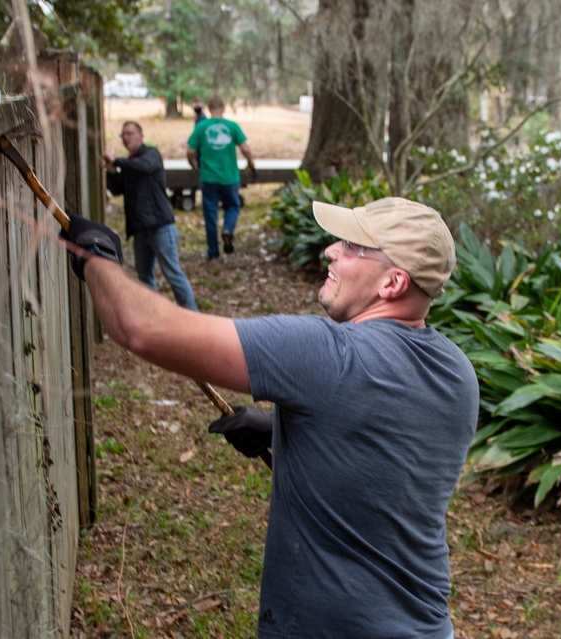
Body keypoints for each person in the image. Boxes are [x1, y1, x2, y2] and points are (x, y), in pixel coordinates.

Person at [59, 196, 479, 639]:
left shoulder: (327, 354)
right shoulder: (457, 373)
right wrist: (281, 433)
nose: (331, 250)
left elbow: (138, 327)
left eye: (354, 247)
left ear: (392, 283)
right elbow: (384, 485)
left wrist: (97, 256)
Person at [103, 121, 198, 311]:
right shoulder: (130, 164)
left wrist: (118, 162)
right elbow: (117, 189)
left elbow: (144, 166)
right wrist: (112, 171)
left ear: (141, 136)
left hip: (160, 226)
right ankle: (152, 316)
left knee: (173, 274)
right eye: (123, 135)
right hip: (140, 230)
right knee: (144, 278)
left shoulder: (151, 155)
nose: (126, 138)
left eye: (130, 133)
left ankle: (193, 315)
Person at [187, 95, 255, 260]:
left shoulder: (202, 126)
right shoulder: (232, 126)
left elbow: (190, 151)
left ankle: (213, 252)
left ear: (209, 109)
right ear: (223, 108)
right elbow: (245, 148)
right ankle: (227, 229)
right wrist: (251, 163)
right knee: (232, 206)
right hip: (229, 177)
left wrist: (194, 165)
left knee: (210, 214)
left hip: (209, 178)